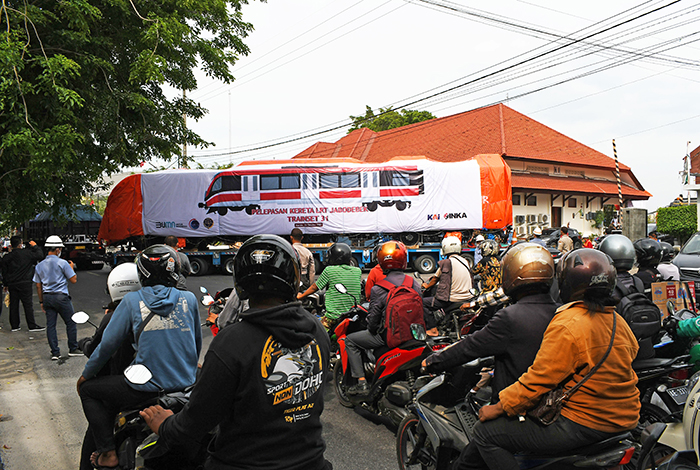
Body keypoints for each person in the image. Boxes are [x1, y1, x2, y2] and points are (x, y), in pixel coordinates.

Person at [140, 234, 332, 470]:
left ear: (240, 281)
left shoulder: (232, 342)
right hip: (311, 461)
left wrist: (166, 424)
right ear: (293, 278)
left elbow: (194, 424)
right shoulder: (317, 331)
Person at [471, 249, 640, 470]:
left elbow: (539, 379)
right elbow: (631, 354)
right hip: (625, 418)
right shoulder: (617, 320)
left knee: (484, 433)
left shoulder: (568, 321)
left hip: (584, 423)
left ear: (565, 282)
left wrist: (500, 407)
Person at [422, 243, 559, 470]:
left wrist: (432, 362)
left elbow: (469, 347)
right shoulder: (562, 311)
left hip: (516, 411)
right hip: (553, 410)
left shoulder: (510, 317)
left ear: (513, 275)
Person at [77, 244, 201, 470]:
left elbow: (106, 347)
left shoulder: (132, 302)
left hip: (144, 389)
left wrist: (86, 376)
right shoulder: (189, 299)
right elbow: (195, 343)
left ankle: (108, 454)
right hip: (186, 385)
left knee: (87, 391)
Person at [77, 263, 141, 470]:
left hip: (121, 388)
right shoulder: (156, 312)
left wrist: (83, 345)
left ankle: (106, 452)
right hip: (158, 384)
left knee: (88, 393)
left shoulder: (112, 318)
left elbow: (98, 350)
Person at [345, 240, 423, 396]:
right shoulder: (414, 283)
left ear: (381, 260)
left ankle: (361, 383)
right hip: (415, 334)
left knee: (351, 341)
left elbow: (373, 321)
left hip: (389, 337)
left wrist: (371, 328)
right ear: (403, 259)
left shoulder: (379, 288)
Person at [33, 235, 79, 359]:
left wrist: (41, 301)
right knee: (70, 322)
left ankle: (55, 352)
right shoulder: (63, 263)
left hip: (47, 297)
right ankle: (73, 348)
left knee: (51, 325)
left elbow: (38, 286)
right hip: (61, 297)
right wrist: (71, 268)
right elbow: (73, 279)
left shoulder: (40, 265)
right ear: (57, 249)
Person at [297, 242, 361, 330]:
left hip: (334, 317)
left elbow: (315, 287)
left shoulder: (329, 270)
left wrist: (301, 296)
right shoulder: (357, 271)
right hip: (352, 314)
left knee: (317, 333)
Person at [422, 236, 473, 321]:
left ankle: (432, 328)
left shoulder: (446, 262)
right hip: (468, 297)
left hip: (451, 299)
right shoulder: (465, 261)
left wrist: (426, 286)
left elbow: (435, 279)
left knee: (422, 302)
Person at [1, 235, 45, 332]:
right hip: (25, 282)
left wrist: (5, 284)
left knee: (13, 305)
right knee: (28, 305)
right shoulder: (27, 254)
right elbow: (40, 255)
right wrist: (35, 246)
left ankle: (15, 325)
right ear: (21, 244)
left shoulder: (7, 257)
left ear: (11, 245)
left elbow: (4, 272)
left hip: (12, 283)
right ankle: (31, 325)